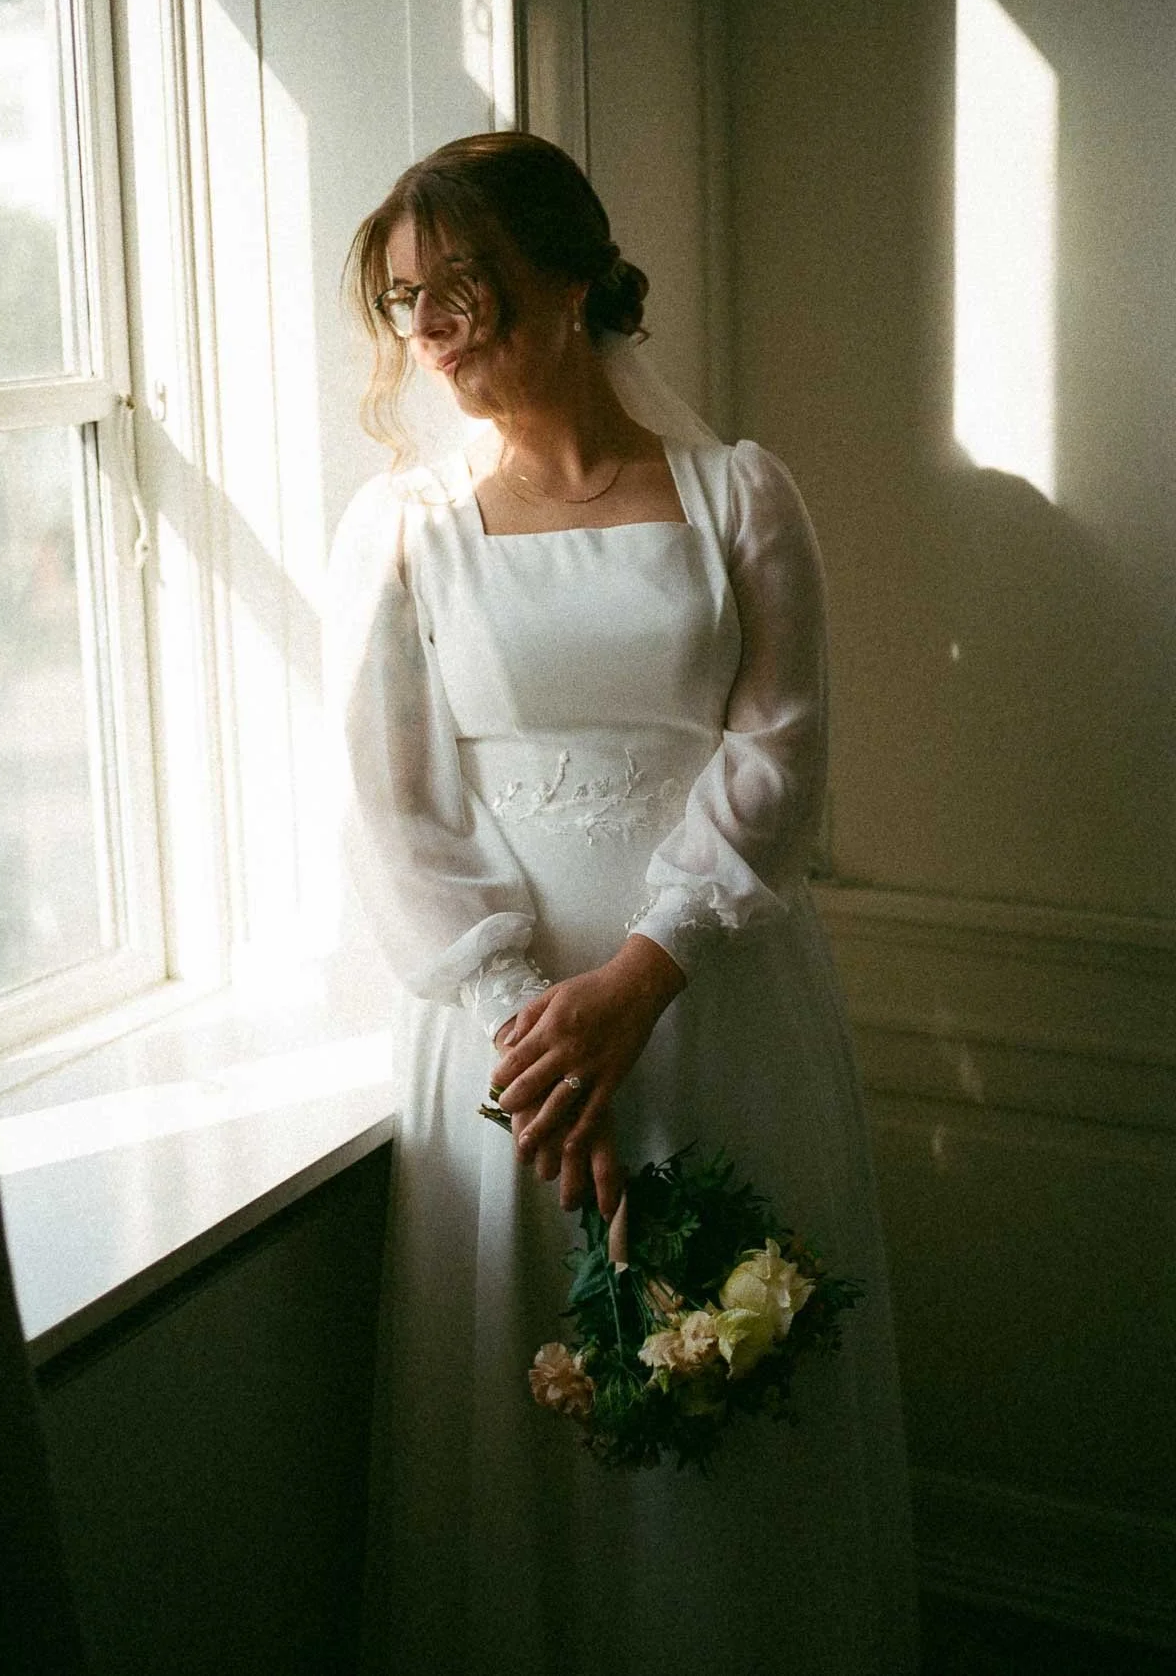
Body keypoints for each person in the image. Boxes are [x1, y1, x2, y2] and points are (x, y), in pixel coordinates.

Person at [328, 131, 919, 1676]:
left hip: (721, 1009)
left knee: (737, 1373)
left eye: (466, 284)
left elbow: (780, 756)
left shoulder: (739, 497)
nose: (438, 329)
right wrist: (533, 1027)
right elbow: (396, 806)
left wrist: (641, 978)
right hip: (508, 1056)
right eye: (407, 302)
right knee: (540, 1406)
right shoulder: (400, 532)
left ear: (573, 273)